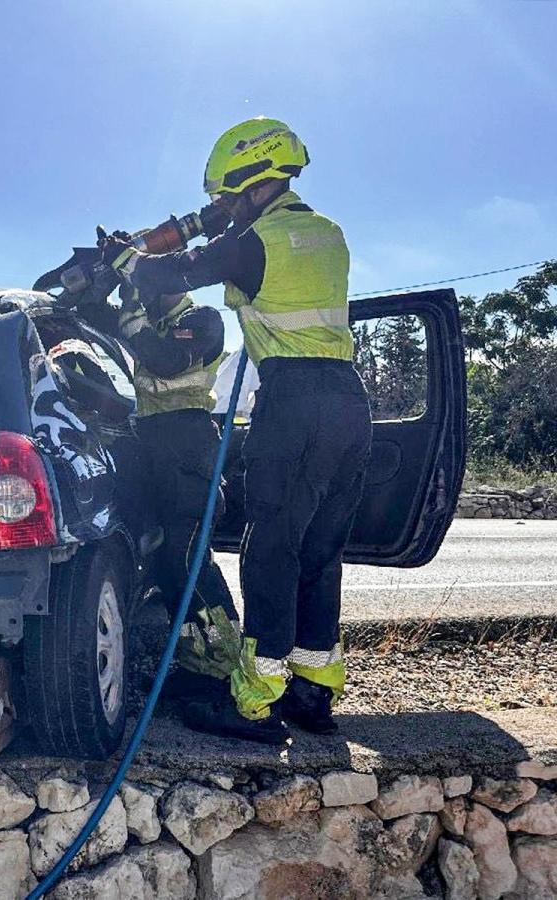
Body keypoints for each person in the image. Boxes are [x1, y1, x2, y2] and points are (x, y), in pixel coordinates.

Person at [99, 117, 371, 743]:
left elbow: (159, 277)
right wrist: (206, 224)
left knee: (271, 548)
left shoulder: (258, 241)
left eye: (226, 195)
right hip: (348, 401)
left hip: (295, 400)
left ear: (254, 182)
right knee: (319, 551)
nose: (218, 207)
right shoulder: (327, 233)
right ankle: (313, 693)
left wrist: (125, 255)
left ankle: (253, 704)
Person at [79, 286, 242, 698]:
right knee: (171, 568)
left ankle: (224, 670)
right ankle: (194, 666)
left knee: (189, 564)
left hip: (188, 449)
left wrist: (131, 313)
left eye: (149, 282)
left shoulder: (201, 320)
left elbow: (165, 360)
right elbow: (92, 312)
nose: (142, 293)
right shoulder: (150, 325)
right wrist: (96, 282)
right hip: (155, 450)